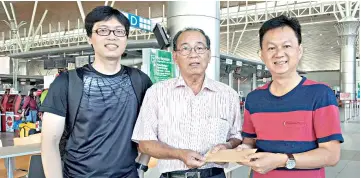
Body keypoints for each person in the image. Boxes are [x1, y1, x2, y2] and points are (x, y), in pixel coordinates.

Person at [40, 6, 152, 178]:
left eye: (119, 31)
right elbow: (49, 143)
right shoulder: (67, 82)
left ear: (126, 38)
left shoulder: (140, 81)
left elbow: (152, 129)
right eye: (103, 30)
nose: (112, 36)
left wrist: (141, 167)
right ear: (89, 38)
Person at [237, 15, 344, 178]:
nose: (279, 54)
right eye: (271, 48)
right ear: (261, 54)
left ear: (299, 50)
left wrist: (282, 160)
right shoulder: (254, 98)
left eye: (286, 46)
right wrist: (241, 151)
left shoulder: (320, 94)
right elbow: (249, 142)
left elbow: (331, 155)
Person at [132, 27, 242, 178]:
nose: (193, 54)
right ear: (175, 57)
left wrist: (228, 145)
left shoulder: (228, 95)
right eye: (185, 48)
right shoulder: (157, 93)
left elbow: (237, 136)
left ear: (209, 55)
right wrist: (178, 154)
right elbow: (145, 143)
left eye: (199, 48)